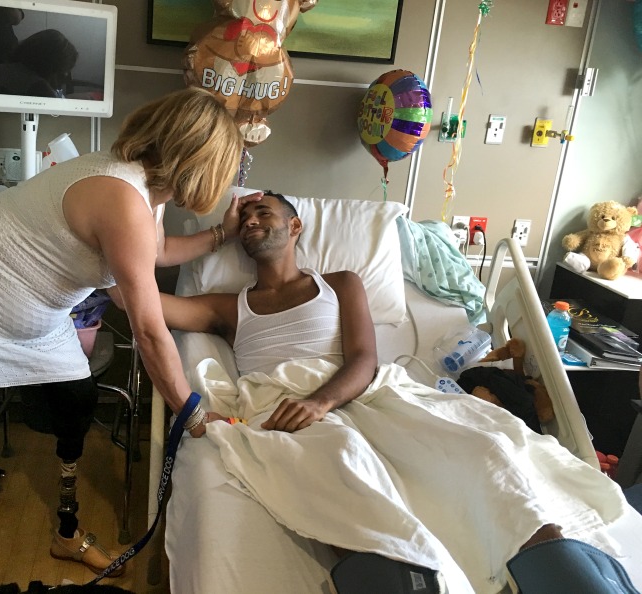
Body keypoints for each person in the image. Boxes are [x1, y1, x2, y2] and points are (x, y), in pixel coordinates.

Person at [156, 192, 636, 593]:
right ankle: (400, 574)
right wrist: (213, 232)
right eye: (245, 219)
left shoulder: (340, 283)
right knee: (342, 463)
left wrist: (320, 400)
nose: (252, 221)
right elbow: (136, 297)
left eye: (265, 213)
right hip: (283, 400)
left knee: (478, 448)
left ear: (296, 226)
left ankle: (560, 572)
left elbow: (364, 358)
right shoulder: (228, 307)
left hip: (361, 390)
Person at [0, 86, 258, 587]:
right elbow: (148, 327)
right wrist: (192, 413)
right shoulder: (122, 197)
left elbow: (153, 252)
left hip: (37, 316)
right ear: (202, 163)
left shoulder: (144, 192)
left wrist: (222, 235)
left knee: (77, 399)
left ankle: (65, 532)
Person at [0, 29, 78, 98]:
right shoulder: (38, 86)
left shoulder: (0, 69)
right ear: (52, 66)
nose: (67, 74)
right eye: (65, 69)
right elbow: (55, 113)